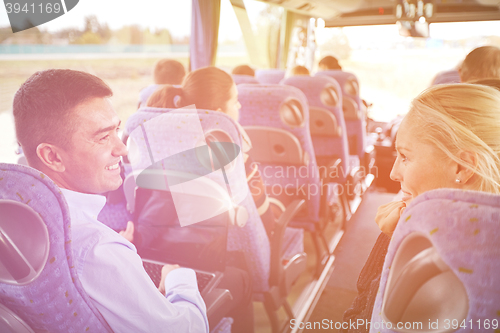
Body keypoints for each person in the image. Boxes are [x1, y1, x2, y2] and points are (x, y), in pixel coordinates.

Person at [13, 69, 209, 333]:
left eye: (117, 130)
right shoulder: (97, 248)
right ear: (53, 157)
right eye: (103, 137)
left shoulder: (14, 219)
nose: (122, 148)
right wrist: (179, 279)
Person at [341, 83, 500, 332]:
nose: (393, 173)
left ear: (462, 167)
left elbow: (361, 320)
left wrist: (394, 239)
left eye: (405, 157)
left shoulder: (416, 240)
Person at [147, 66, 281, 237]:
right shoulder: (238, 162)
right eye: (235, 101)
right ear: (219, 115)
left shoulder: (157, 153)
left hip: (168, 247)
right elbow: (266, 224)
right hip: (232, 256)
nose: (239, 105)